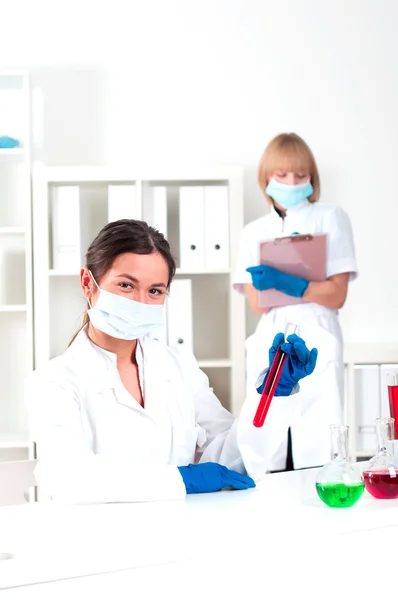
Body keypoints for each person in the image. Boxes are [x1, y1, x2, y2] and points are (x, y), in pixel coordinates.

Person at [26, 219, 317, 504]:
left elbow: (231, 461)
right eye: (126, 285)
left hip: (183, 535)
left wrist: (272, 395)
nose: (141, 301)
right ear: (87, 283)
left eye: (155, 290)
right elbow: (70, 478)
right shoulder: (53, 382)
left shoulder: (177, 366)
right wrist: (182, 479)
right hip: (101, 543)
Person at [233, 133, 357, 472]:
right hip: (271, 331)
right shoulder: (253, 231)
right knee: (267, 428)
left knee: (317, 428)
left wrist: (289, 282)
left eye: (300, 176)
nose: (291, 183)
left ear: (312, 178)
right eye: (282, 175)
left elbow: (337, 294)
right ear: (266, 179)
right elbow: (258, 305)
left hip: (317, 328)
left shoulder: (330, 218)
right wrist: (282, 287)